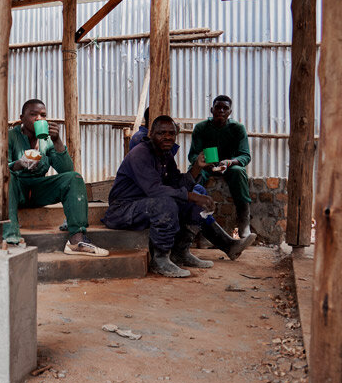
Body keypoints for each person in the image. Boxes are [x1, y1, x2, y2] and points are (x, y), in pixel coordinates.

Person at [102, 115, 256, 277]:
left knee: (194, 204)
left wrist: (197, 167)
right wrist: (192, 196)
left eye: (171, 133)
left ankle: (181, 252)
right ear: (151, 134)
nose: (167, 137)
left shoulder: (165, 155)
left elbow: (176, 184)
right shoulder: (140, 153)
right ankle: (160, 260)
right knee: (167, 203)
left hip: (145, 205)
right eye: (161, 133)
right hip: (123, 210)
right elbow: (155, 190)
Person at [5, 99, 109, 256]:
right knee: (7, 176)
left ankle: (76, 240)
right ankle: (11, 238)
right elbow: (0, 170)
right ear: (22, 118)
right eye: (33, 114)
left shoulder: (47, 140)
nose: (39, 118)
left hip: (39, 191)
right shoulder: (10, 136)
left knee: (74, 178)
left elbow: (66, 170)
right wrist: (19, 164)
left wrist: (57, 140)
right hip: (15, 191)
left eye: (43, 115)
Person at [188, 95, 254, 237]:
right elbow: (192, 155)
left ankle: (244, 222)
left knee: (239, 171)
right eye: (218, 107)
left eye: (225, 108)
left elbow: (245, 155)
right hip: (206, 167)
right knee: (194, 175)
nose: (221, 111)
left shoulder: (237, 128)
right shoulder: (201, 128)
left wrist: (230, 162)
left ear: (230, 112)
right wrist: (202, 162)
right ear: (212, 110)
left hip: (229, 167)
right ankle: (196, 224)